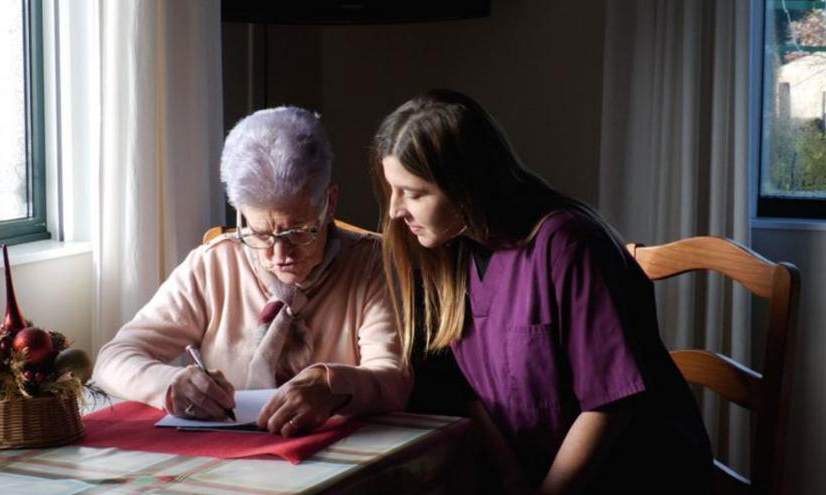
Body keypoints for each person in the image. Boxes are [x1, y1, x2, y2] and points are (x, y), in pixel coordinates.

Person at [371, 89, 713, 494]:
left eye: (413, 193)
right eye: (394, 190)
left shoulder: (568, 244)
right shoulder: (452, 251)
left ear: (465, 185)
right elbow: (468, 393)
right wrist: (513, 479)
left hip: (629, 476)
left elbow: (610, 405)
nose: (395, 210)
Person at [93, 106, 410, 436]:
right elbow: (113, 359)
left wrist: (332, 386)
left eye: (298, 232)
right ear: (241, 216)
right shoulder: (214, 265)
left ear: (329, 204)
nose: (279, 254)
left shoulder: (372, 265)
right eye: (260, 234)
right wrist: (171, 384)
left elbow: (393, 378)